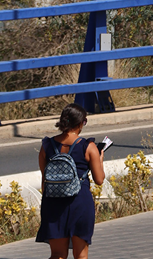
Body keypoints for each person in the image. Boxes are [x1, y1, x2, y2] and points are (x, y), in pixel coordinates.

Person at [36, 103, 105, 259]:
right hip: (79, 202)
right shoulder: (88, 146)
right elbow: (99, 180)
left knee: (57, 254)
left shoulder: (46, 146)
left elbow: (44, 178)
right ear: (80, 123)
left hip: (53, 203)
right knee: (81, 255)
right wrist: (100, 160)